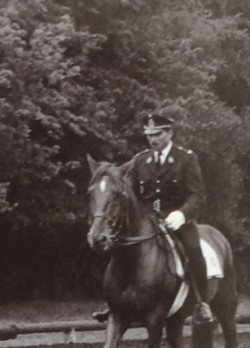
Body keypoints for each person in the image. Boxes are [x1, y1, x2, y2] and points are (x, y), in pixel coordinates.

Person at [92, 113, 214, 323]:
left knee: (194, 249)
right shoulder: (140, 161)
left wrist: (182, 214)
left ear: (169, 133)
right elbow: (131, 195)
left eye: (157, 134)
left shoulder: (186, 158)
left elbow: (198, 195)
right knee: (115, 245)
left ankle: (201, 303)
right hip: (147, 219)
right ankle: (111, 301)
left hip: (177, 218)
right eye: (149, 135)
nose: (152, 139)